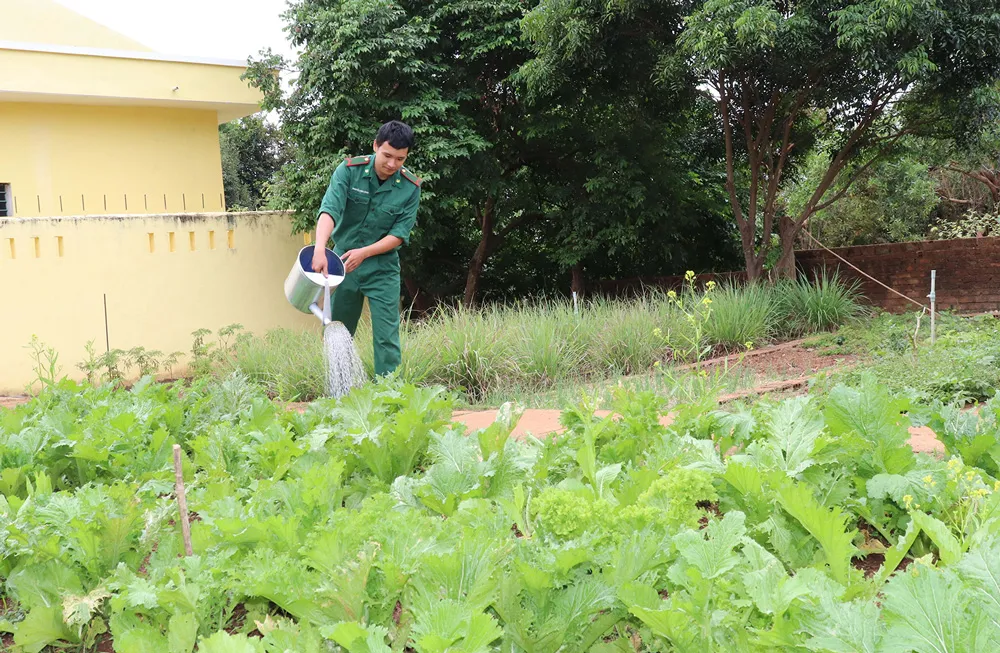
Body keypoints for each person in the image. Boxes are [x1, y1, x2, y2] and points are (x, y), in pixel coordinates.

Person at [311, 120, 421, 376]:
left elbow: (398, 235)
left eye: (400, 158)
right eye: (387, 155)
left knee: (387, 338)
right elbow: (329, 210)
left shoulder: (410, 187)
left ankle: (389, 397)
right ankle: (341, 394)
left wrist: (366, 253)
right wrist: (320, 248)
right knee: (337, 331)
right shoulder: (348, 171)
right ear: (375, 146)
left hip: (382, 268)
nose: (392, 164)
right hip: (342, 264)